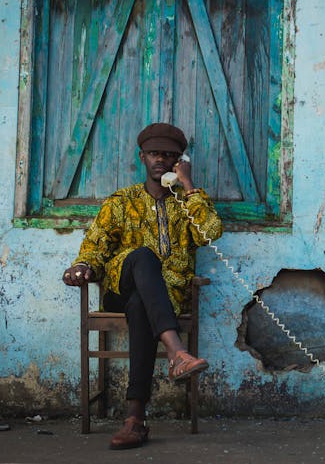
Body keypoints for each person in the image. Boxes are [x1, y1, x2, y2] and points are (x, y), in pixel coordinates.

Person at [62, 123, 223, 450]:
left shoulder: (185, 203)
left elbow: (209, 233)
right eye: (154, 154)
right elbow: (96, 246)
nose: (160, 160)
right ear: (142, 157)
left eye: (169, 155)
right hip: (118, 290)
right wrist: (82, 266)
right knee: (142, 258)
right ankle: (177, 351)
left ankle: (135, 419)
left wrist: (188, 185)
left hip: (163, 299)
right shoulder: (120, 202)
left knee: (141, 306)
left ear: (179, 161)